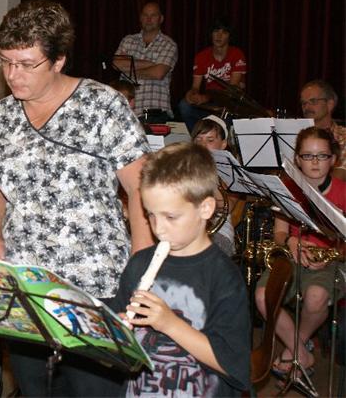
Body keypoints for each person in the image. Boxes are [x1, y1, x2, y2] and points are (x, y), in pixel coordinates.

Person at [0, 0, 153, 396]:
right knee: (35, 389)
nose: (12, 74)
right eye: (6, 61)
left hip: (95, 284)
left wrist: (140, 273)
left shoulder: (102, 105)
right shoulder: (1, 117)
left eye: (27, 64)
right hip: (26, 285)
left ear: (58, 60)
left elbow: (141, 189)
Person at [113, 142, 250, 396]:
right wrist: (116, 333)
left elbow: (234, 366)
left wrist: (170, 324)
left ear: (205, 208)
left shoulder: (224, 278)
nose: (158, 228)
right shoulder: (139, 265)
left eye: (170, 217)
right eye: (150, 214)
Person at [254, 127, 345, 380]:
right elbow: (280, 233)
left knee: (316, 296)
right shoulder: (287, 190)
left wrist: (329, 253)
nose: (315, 162)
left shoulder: (343, 191)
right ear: (297, 159)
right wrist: (292, 241)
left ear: (333, 159)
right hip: (293, 254)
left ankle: (294, 348)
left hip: (332, 260)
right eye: (307, 156)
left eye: (322, 156)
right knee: (262, 296)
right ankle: (301, 353)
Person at [179, 18, 248, 131]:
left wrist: (206, 97)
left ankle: (218, 138)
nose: (219, 36)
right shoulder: (201, 56)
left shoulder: (237, 54)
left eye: (224, 32)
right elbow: (195, 87)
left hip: (229, 106)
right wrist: (191, 95)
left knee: (226, 111)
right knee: (184, 105)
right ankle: (199, 137)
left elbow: (232, 90)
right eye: (216, 31)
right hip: (210, 105)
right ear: (211, 34)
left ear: (229, 36)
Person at [114, 2, 178, 121]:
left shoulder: (169, 44)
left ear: (161, 19)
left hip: (155, 110)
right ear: (140, 18)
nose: (149, 19)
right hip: (125, 110)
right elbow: (116, 64)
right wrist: (150, 64)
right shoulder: (128, 40)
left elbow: (158, 73)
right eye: (145, 15)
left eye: (153, 15)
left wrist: (128, 70)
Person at [191, 115, 239, 256]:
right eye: (198, 140)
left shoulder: (231, 173)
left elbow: (227, 207)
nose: (203, 145)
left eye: (210, 140)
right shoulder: (186, 167)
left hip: (219, 232)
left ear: (223, 145)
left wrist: (209, 174)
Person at [300, 80, 346, 181]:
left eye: (313, 101)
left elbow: (339, 176)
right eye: (303, 103)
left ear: (330, 104)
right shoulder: (296, 135)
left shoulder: (343, 136)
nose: (306, 107)